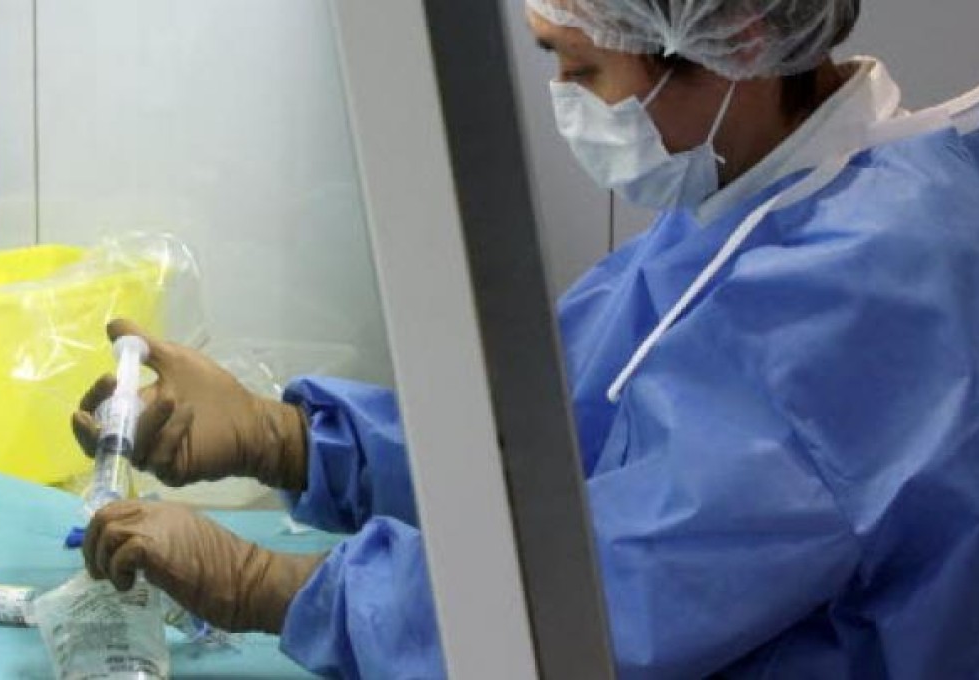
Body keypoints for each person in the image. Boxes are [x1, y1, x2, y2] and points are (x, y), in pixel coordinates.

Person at [73, 0, 979, 676]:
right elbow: (554, 441)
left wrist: (271, 587)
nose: (565, 100)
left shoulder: (865, 289)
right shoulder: (755, 198)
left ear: (738, 41)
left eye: (581, 68)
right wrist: (295, 442)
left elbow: (617, 593)